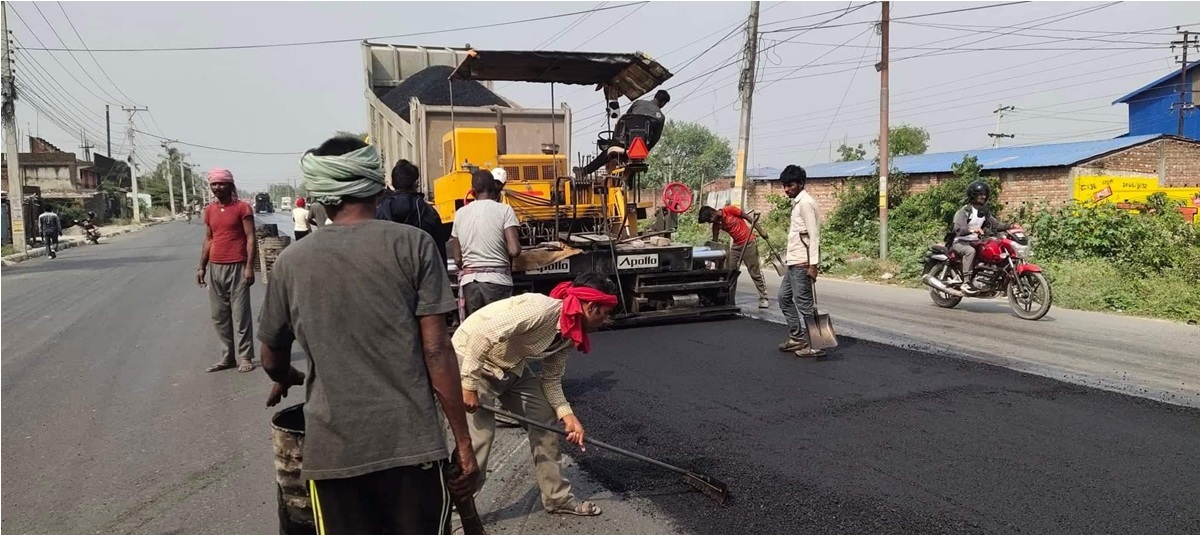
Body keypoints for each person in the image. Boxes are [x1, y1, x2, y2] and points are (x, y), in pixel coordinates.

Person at [259, 135, 478, 533]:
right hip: (411, 449)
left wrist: (288, 378)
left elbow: (271, 357)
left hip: (335, 455)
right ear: (378, 187)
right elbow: (436, 352)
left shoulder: (291, 263)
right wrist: (463, 442)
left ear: (320, 196)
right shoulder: (415, 245)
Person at [454, 273, 618, 518]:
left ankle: (557, 498)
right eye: (605, 313)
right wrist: (468, 385)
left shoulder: (569, 333)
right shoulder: (539, 310)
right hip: (473, 361)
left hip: (511, 366)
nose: (607, 319)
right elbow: (481, 337)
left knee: (545, 422)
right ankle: (458, 514)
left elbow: (550, 379)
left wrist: (568, 416)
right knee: (479, 441)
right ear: (592, 307)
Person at [197, 168, 258, 373]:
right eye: (214, 184)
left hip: (238, 266)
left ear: (230, 185)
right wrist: (202, 267)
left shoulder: (243, 208)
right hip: (216, 266)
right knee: (219, 316)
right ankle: (227, 357)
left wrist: (249, 267)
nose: (217, 187)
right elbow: (209, 239)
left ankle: (245, 356)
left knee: (241, 315)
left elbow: (250, 237)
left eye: (221, 183)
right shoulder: (209, 210)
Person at [448, 170, 521, 317]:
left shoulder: (460, 214)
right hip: (498, 283)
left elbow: (457, 259)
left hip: (470, 284)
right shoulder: (505, 210)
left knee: (476, 334)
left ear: (473, 192)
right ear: (494, 188)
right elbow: (514, 250)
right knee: (498, 333)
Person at [777, 165, 825, 358]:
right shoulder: (797, 203)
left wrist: (813, 265)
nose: (787, 189)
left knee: (805, 305)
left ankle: (817, 344)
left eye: (790, 185)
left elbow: (814, 235)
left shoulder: (805, 203)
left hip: (802, 263)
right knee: (783, 297)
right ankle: (797, 337)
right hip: (793, 261)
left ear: (801, 184)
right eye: (785, 186)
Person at [574, 90, 670, 177]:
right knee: (634, 164)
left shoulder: (638, 103)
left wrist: (616, 140)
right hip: (639, 148)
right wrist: (644, 149)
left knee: (606, 153)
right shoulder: (661, 117)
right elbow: (655, 139)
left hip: (623, 143)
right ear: (663, 103)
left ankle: (584, 171)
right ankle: (628, 185)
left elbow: (625, 119)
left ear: (655, 97)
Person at [698, 204, 771, 309]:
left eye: (709, 220)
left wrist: (761, 231)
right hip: (736, 246)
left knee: (754, 271)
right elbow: (715, 241)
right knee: (731, 272)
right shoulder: (716, 224)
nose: (710, 223)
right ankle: (729, 298)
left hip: (748, 242)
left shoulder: (730, 210)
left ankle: (764, 297)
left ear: (712, 213)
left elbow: (749, 218)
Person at [376, 159, 448, 262]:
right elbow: (440, 254)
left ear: (392, 183)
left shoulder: (380, 212)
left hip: (389, 275)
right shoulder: (429, 212)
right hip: (421, 274)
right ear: (416, 183)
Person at [951, 181, 1010, 293]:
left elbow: (995, 225)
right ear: (973, 195)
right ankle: (966, 282)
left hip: (975, 241)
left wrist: (1010, 226)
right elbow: (958, 229)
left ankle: (990, 279)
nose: (983, 196)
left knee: (992, 248)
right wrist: (973, 230)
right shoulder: (964, 211)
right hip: (960, 242)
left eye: (985, 194)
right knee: (970, 251)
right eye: (980, 194)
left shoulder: (984, 211)